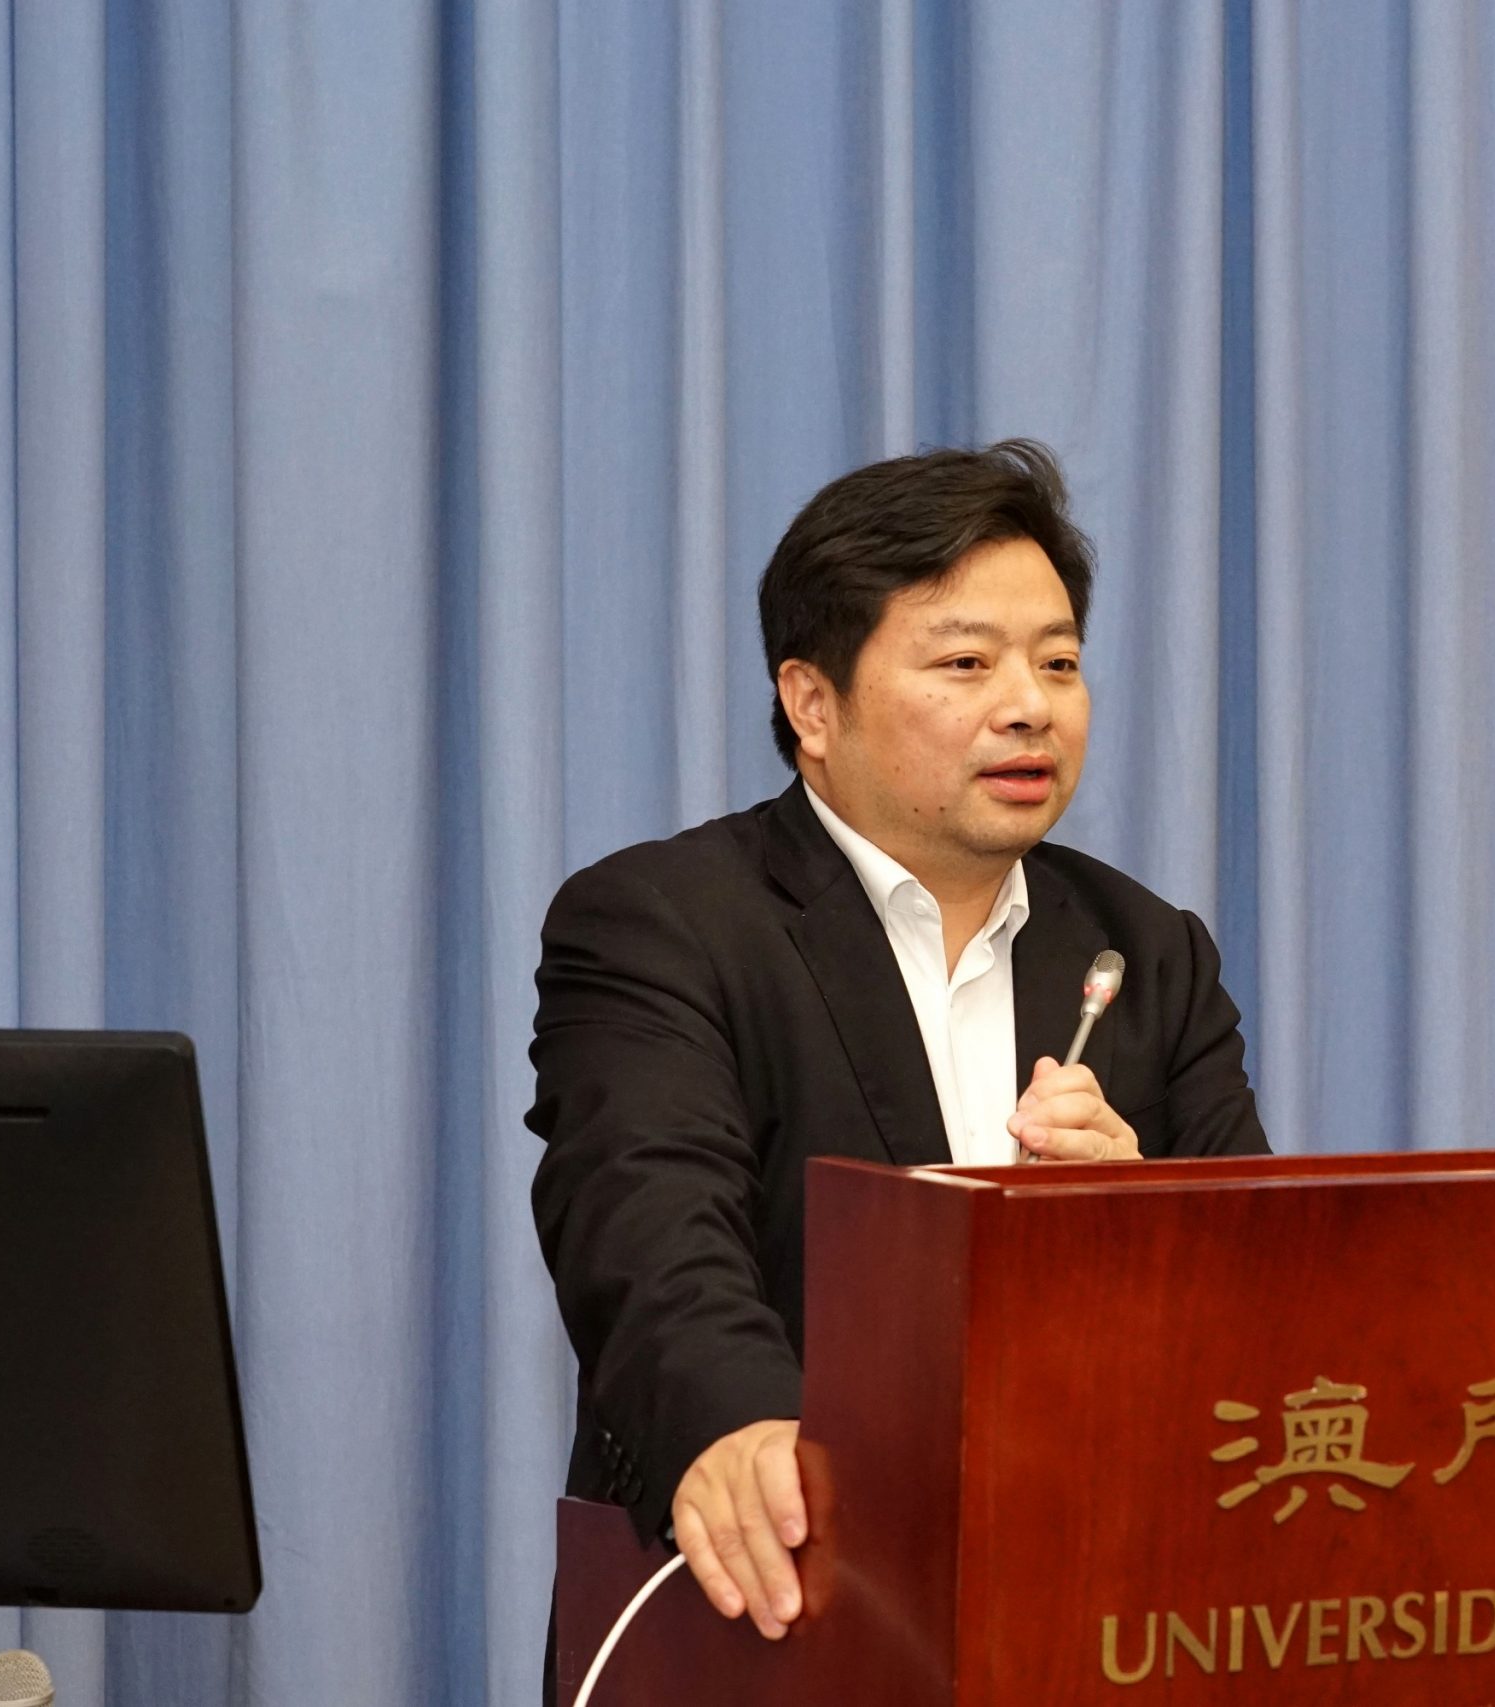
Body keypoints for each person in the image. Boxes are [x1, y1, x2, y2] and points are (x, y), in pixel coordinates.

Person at [526, 441, 1269, 1673]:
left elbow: (1263, 1302)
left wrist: (1137, 1222)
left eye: (1058, 662)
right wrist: (740, 1429)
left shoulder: (1146, 948)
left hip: (1092, 1613)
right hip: (771, 1608)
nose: (1029, 704)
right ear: (812, 704)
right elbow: (643, 1220)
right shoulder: (667, 923)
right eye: (966, 663)